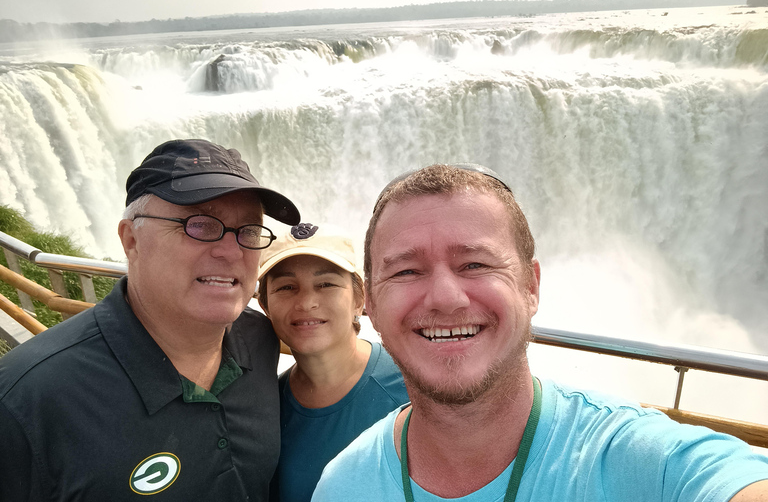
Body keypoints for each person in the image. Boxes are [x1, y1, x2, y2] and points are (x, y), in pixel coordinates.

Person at [312, 164, 768, 502]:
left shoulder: (639, 461)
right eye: (407, 270)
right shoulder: (341, 487)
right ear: (369, 303)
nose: (445, 297)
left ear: (530, 287)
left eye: (475, 263)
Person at [0, 139, 300, 501]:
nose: (231, 251)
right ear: (131, 241)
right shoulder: (26, 401)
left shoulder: (260, 339)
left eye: (249, 231)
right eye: (200, 224)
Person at [255, 222, 409, 502]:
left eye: (326, 284)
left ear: (359, 299)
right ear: (264, 305)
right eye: (286, 287)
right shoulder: (264, 406)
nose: (306, 302)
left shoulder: (412, 384)